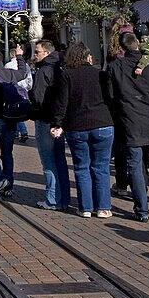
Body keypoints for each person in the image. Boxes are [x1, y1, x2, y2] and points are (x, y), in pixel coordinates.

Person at [106, 32, 149, 222]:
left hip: (130, 119)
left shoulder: (115, 67)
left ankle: (142, 209)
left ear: (121, 47)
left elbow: (111, 96)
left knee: (134, 164)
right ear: (138, 43)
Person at [51, 42, 114, 218]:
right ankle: (103, 207)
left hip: (77, 125)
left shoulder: (67, 75)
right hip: (102, 123)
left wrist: (57, 123)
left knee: (81, 167)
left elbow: (61, 102)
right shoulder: (100, 74)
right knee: (101, 167)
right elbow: (110, 98)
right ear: (89, 57)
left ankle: (86, 207)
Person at [29, 40, 70, 211]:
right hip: (58, 121)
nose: (34, 55)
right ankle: (63, 199)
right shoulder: (61, 68)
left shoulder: (43, 71)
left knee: (48, 161)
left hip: (45, 119)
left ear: (46, 53)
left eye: (37, 52)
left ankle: (52, 199)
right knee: (60, 160)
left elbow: (38, 98)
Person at [0, 49, 30, 199]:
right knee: (7, 153)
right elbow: (24, 72)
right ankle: (9, 187)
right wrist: (19, 56)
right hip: (11, 118)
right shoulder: (11, 73)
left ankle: (0, 178)